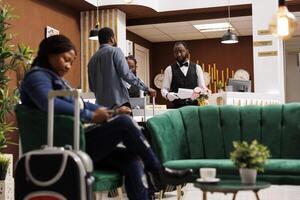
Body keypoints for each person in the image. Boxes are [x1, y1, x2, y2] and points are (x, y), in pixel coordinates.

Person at [19, 35, 192, 200]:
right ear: (50, 54)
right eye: (65, 59)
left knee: (133, 160)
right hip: (63, 147)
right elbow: (48, 103)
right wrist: (91, 116)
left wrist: (112, 111)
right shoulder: (37, 76)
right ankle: (158, 171)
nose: (68, 66)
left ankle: (155, 175)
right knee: (125, 123)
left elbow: (82, 103)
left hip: (75, 142)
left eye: (71, 62)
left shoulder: (54, 78)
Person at [88, 27, 156, 108]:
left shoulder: (91, 60)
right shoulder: (115, 51)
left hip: (101, 108)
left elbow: (92, 87)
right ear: (112, 38)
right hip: (119, 105)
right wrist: (146, 88)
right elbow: (126, 74)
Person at [161, 41, 210, 108]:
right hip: (177, 108)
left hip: (194, 107)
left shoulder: (197, 68)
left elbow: (202, 88)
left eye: (181, 51)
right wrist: (167, 95)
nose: (178, 54)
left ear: (187, 51)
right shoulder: (169, 69)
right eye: (176, 52)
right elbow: (164, 89)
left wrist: (204, 92)